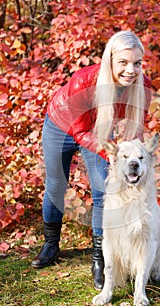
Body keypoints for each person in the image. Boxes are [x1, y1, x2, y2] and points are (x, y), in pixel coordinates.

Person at [31, 30, 152, 290]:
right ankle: (51, 245)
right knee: (56, 185)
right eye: (123, 62)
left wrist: (133, 158)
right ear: (110, 59)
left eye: (137, 63)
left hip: (99, 128)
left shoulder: (144, 87)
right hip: (62, 124)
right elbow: (80, 131)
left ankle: (99, 259)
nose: (131, 70)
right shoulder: (83, 82)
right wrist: (109, 151)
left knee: (101, 189)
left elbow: (135, 131)